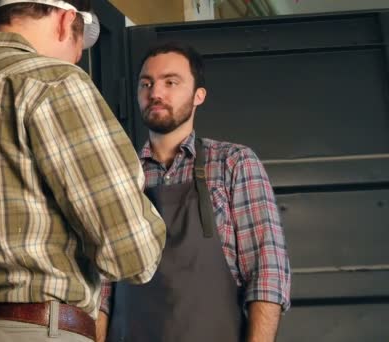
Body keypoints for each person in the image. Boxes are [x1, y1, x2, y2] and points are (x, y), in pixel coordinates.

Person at [0, 1, 166, 341]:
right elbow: (133, 253)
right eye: (79, 43)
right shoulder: (56, 82)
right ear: (66, 22)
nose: (78, 57)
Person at [102, 43, 291, 342]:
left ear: (198, 95)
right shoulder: (118, 177)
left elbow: (267, 272)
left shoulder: (233, 162)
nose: (156, 93)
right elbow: (103, 288)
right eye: (146, 84)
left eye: (171, 82)